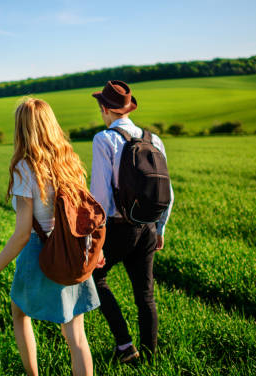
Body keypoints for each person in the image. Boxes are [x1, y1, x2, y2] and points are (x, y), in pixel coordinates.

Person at [0, 97, 103, 376]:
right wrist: (95, 251)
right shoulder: (68, 159)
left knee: (19, 313)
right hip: (71, 249)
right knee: (76, 334)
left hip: (40, 250)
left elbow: (22, 233)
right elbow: (84, 213)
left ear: (22, 129)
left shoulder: (25, 168)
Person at [90, 80, 174, 363]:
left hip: (118, 229)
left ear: (105, 109)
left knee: (94, 277)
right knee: (145, 295)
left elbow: (100, 197)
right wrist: (160, 228)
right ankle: (150, 358)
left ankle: (125, 347)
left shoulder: (104, 140)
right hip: (148, 227)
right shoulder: (154, 140)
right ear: (127, 108)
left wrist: (96, 240)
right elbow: (167, 191)